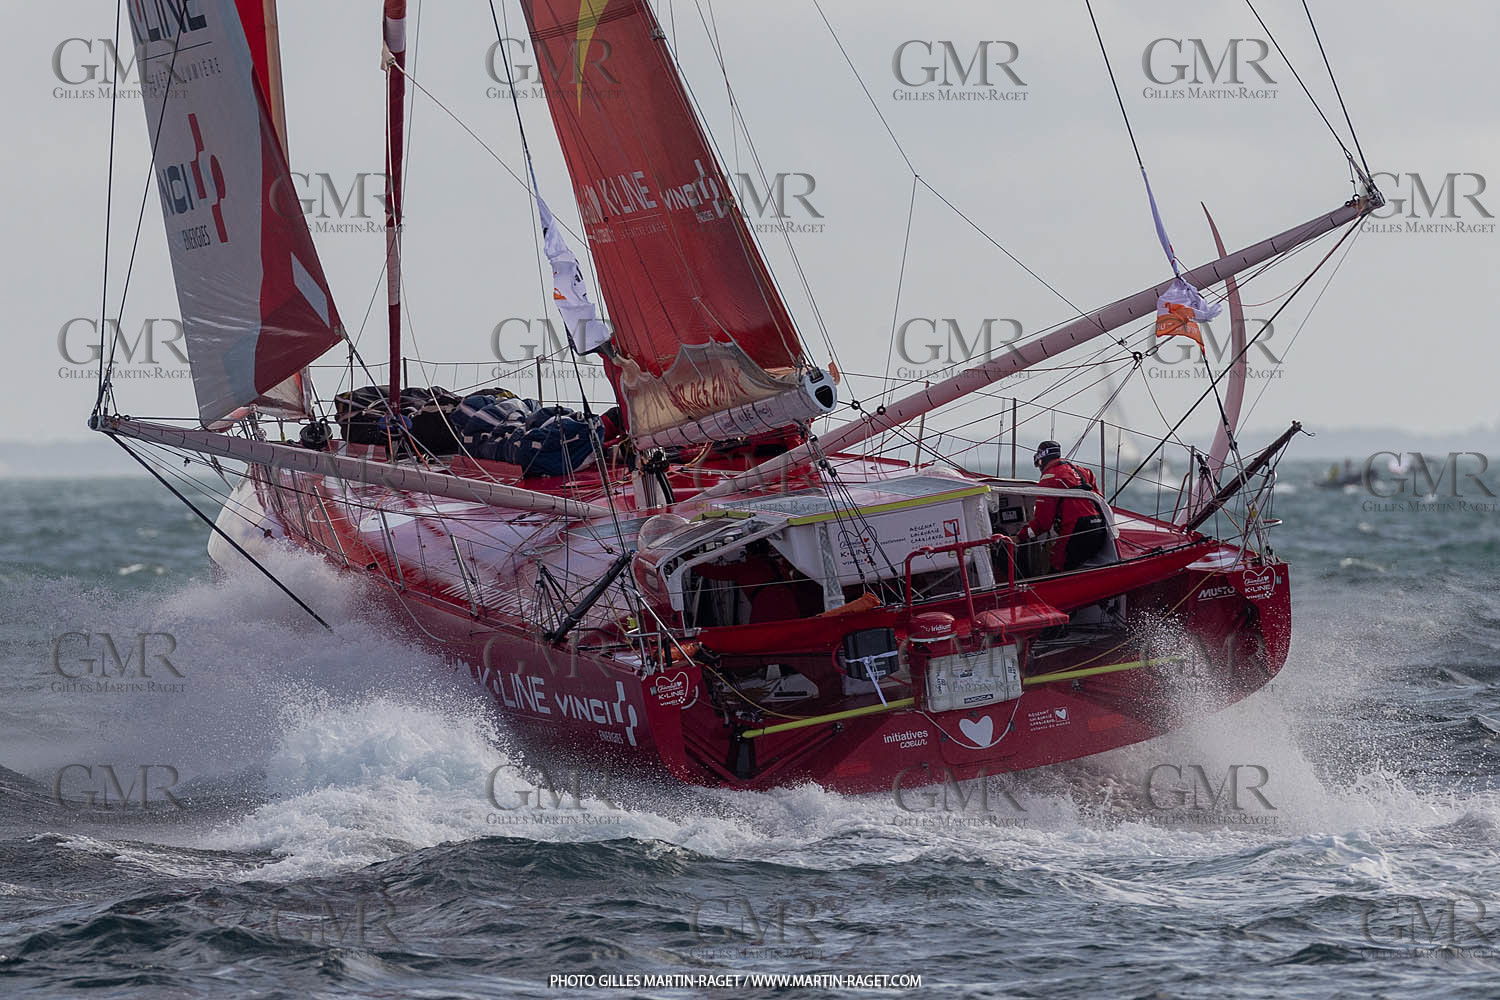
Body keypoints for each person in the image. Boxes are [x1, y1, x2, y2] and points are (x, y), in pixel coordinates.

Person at [1018, 441, 1109, 573]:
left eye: (1038, 464)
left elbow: (1042, 523)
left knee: (1057, 564)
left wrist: (1020, 536)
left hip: (1077, 528)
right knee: (1079, 562)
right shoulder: (1085, 472)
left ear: (1041, 460)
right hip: (1100, 526)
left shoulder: (1049, 478)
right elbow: (1099, 499)